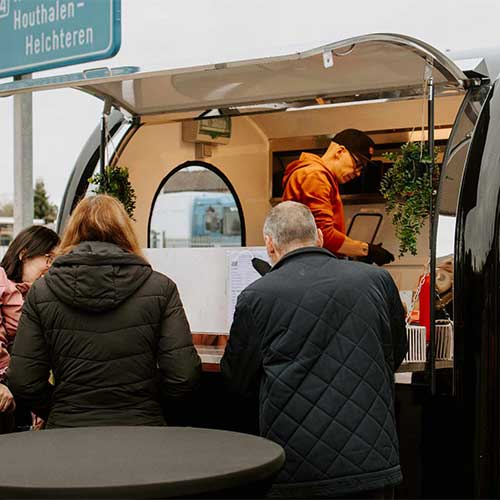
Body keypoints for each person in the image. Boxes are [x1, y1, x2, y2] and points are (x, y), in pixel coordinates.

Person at [221, 201, 407, 499]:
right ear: (319, 236)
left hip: (296, 465)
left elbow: (236, 379)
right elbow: (396, 351)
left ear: (270, 245)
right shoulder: (377, 280)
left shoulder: (257, 296)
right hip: (372, 459)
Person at [8, 194, 201, 428]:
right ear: (124, 232)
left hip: (67, 430)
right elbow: (183, 374)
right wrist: (146, 407)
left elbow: (23, 380)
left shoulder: (42, 292)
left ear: (72, 232)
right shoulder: (161, 288)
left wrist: (61, 408)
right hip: (142, 429)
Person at [282, 128, 394, 266]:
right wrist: (366, 250)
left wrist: (354, 252)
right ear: (340, 151)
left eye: (361, 169)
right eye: (357, 164)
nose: (358, 173)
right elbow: (324, 235)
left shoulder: (315, 174)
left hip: (305, 265)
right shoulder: (315, 176)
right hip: (309, 267)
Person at [0, 225, 60, 433]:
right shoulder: (2, 286)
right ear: (24, 255)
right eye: (48, 258)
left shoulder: (41, 296)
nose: (51, 266)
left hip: (25, 401)